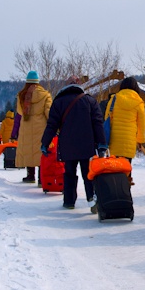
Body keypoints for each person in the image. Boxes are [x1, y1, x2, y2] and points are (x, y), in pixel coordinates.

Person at [41, 76, 106, 210]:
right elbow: (98, 124)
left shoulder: (58, 102)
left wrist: (45, 143)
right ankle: (92, 199)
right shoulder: (90, 101)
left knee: (69, 172)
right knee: (88, 173)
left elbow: (51, 125)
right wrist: (102, 144)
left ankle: (69, 201)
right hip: (87, 145)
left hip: (67, 145)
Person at [105, 76, 145, 185]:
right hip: (129, 140)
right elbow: (142, 124)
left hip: (114, 138)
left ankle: (114, 189)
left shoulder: (114, 99)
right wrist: (140, 141)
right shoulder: (139, 102)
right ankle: (125, 190)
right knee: (126, 166)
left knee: (114, 167)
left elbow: (107, 118)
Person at [13, 71, 52, 182]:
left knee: (28, 151)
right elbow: (49, 113)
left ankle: (30, 176)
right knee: (40, 152)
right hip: (41, 127)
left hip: (26, 126)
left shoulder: (22, 95)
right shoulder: (45, 95)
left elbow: (20, 112)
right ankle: (41, 179)